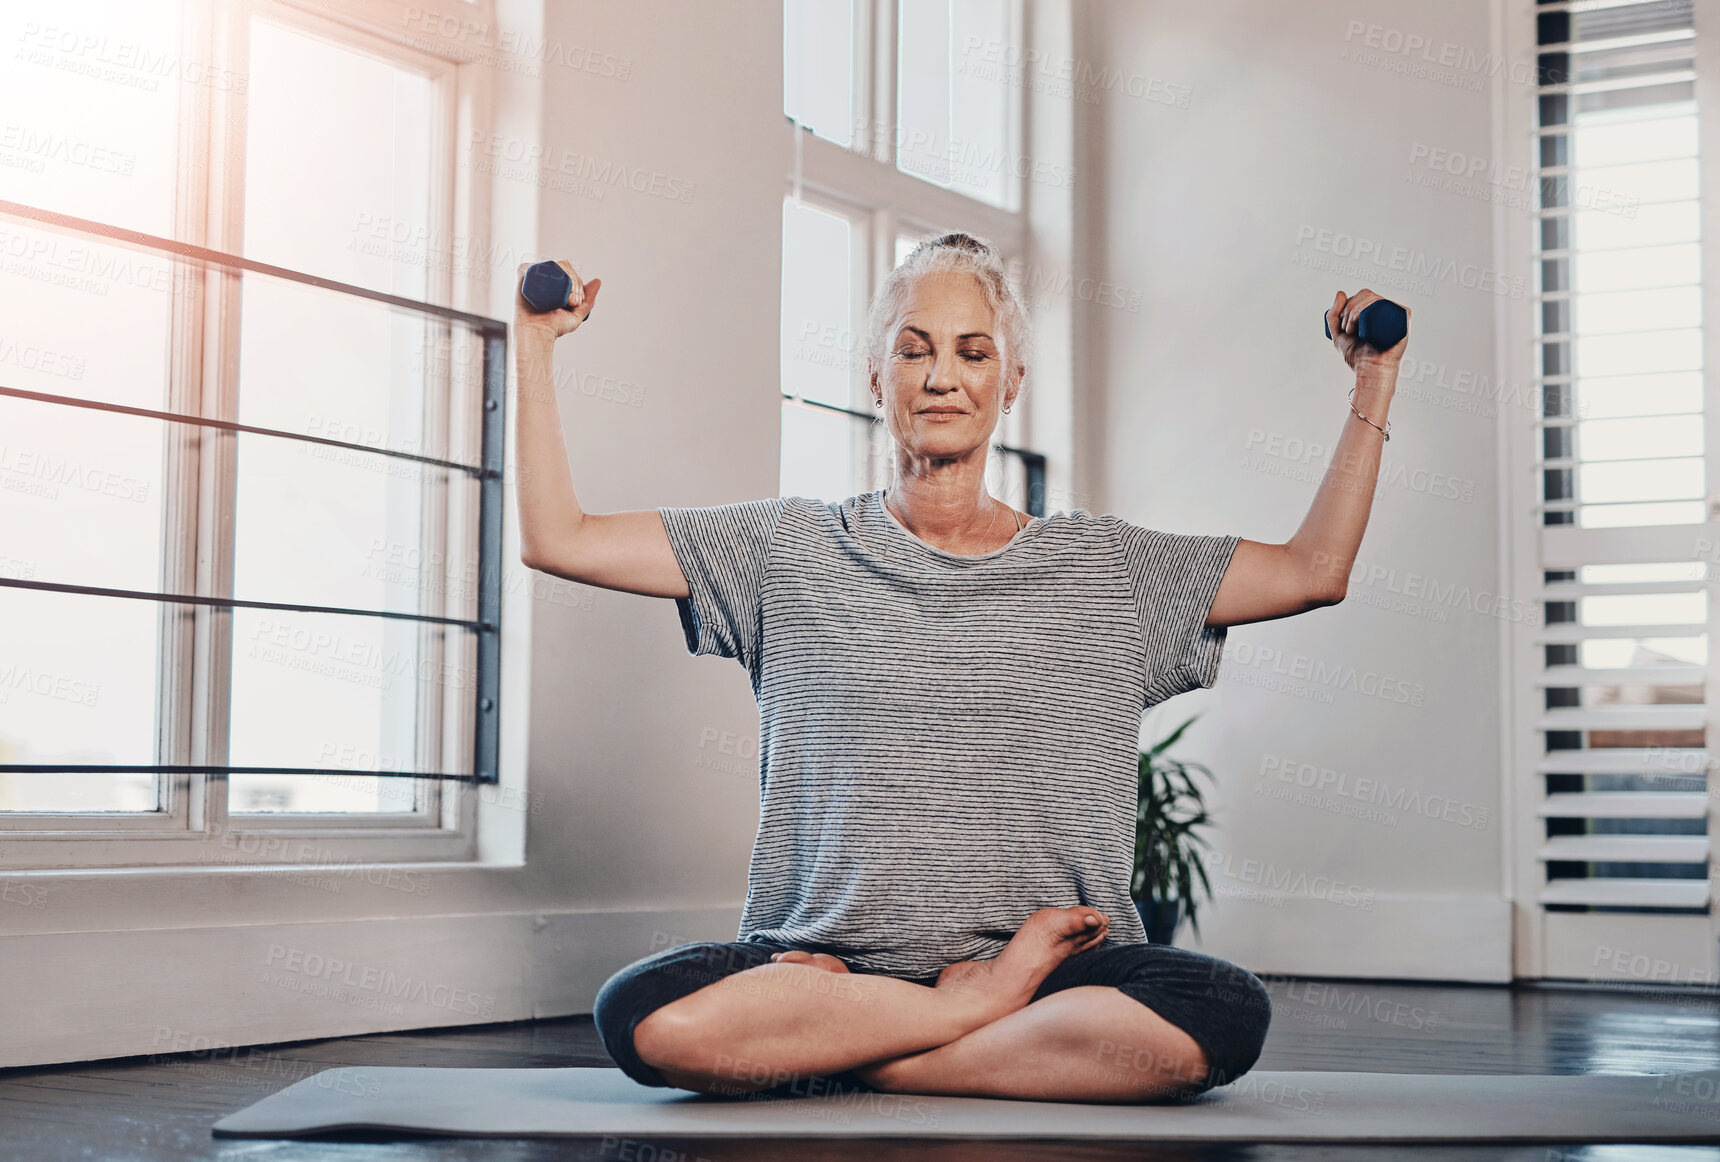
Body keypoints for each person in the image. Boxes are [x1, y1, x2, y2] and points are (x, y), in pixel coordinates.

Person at [511, 231, 1405, 1104]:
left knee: (1221, 1011)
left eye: (973, 352)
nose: (942, 376)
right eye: (913, 350)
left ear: (1008, 382)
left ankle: (891, 1048)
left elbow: (1311, 572)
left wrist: (1375, 379)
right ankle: (959, 1020)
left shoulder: (1108, 569)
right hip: (819, 966)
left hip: (1052, 971)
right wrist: (534, 342)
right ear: (875, 378)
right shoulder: (785, 550)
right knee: (644, 1015)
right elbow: (562, 538)